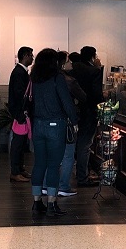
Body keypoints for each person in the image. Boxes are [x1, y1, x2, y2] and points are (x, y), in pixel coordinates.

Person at [29, 48, 77, 217]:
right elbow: (67, 103)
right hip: (55, 125)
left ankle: (36, 203)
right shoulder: (58, 78)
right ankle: (51, 203)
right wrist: (75, 121)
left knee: (39, 163)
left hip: (38, 125)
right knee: (53, 166)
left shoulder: (34, 79)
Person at [72, 45, 105, 187]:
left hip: (76, 111)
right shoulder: (95, 71)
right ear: (93, 56)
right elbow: (97, 95)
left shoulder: (73, 70)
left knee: (77, 143)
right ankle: (82, 177)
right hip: (90, 112)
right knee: (85, 145)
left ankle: (78, 174)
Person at [56, 50, 85, 197]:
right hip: (67, 122)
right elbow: (82, 97)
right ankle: (63, 186)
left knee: (51, 155)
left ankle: (45, 186)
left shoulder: (45, 79)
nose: (71, 63)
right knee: (68, 155)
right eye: (68, 61)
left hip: (49, 123)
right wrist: (74, 120)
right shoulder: (68, 80)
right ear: (62, 64)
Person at [8, 46, 33, 182]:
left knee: (22, 142)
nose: (32, 58)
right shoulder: (18, 72)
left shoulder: (21, 72)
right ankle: (15, 171)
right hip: (20, 112)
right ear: (24, 56)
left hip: (22, 112)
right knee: (17, 143)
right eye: (30, 55)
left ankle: (20, 169)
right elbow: (19, 95)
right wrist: (22, 112)